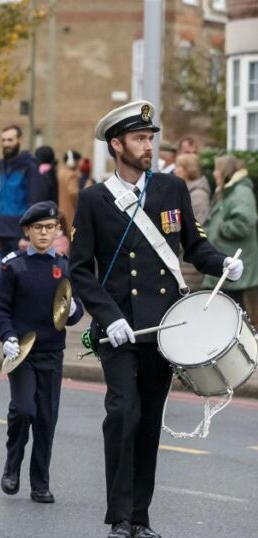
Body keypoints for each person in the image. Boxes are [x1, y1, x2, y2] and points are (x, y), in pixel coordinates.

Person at [69, 101, 237, 538]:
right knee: (124, 413)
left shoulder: (170, 189)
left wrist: (224, 264)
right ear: (116, 144)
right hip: (120, 329)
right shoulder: (93, 200)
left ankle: (140, 518)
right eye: (140, 139)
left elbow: (194, 246)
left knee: (147, 424)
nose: (148, 145)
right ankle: (119, 518)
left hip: (163, 328)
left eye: (150, 138)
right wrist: (107, 317)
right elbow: (80, 269)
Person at [0, 201, 84, 505]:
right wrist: (6, 337)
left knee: (46, 418)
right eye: (38, 228)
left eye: (50, 227)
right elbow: (1, 308)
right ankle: (12, 466)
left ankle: (40, 483)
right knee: (23, 410)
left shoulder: (64, 265)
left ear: (58, 230)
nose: (44, 233)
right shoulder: (13, 265)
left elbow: (73, 309)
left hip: (52, 353)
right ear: (27, 231)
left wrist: (73, 311)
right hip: (21, 352)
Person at [201, 155, 258, 304]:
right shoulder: (229, 191)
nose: (214, 173)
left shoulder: (241, 192)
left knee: (232, 307)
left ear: (225, 171)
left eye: (217, 169)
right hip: (228, 259)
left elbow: (244, 223)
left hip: (235, 261)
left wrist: (219, 228)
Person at [0, 125, 48, 254]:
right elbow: (2, 200)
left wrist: (26, 235)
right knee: (4, 271)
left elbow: (35, 202)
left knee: (19, 272)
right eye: (3, 140)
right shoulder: (2, 166)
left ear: (19, 141)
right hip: (2, 231)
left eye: (10, 140)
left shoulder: (30, 167)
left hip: (18, 232)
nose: (6, 144)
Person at [173, 153, 210, 291]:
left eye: (179, 166)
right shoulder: (183, 191)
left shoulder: (198, 195)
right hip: (180, 261)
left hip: (189, 264)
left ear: (188, 169)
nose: (175, 170)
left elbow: (194, 227)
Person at [57, 150, 82, 223]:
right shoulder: (72, 175)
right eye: (78, 162)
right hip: (69, 212)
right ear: (72, 161)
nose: (79, 164)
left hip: (59, 211)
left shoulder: (59, 172)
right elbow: (73, 193)